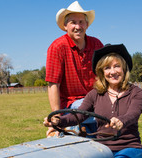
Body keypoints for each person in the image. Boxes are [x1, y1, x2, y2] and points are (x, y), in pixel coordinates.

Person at [45, 1, 104, 136]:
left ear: (87, 25)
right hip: (72, 104)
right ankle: (68, 124)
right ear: (65, 26)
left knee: (116, 104)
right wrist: (57, 118)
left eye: (81, 22)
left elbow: (104, 75)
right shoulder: (58, 47)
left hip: (95, 99)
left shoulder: (96, 44)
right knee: (96, 109)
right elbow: (53, 84)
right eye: (73, 22)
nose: (78, 26)